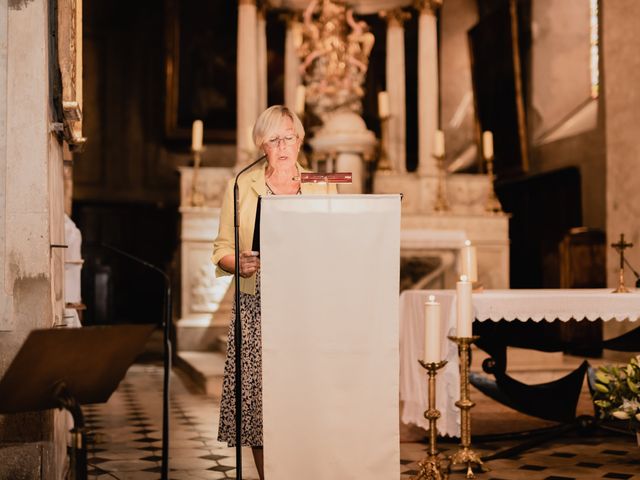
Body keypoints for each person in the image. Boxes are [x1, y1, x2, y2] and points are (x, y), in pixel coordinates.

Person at [211, 105, 336, 479]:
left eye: (289, 137)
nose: (283, 146)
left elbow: (336, 241)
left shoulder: (322, 183)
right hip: (257, 303)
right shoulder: (241, 186)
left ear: (300, 140)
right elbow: (220, 250)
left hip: (308, 305)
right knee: (258, 402)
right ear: (261, 144)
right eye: (273, 139)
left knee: (305, 396)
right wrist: (240, 263)